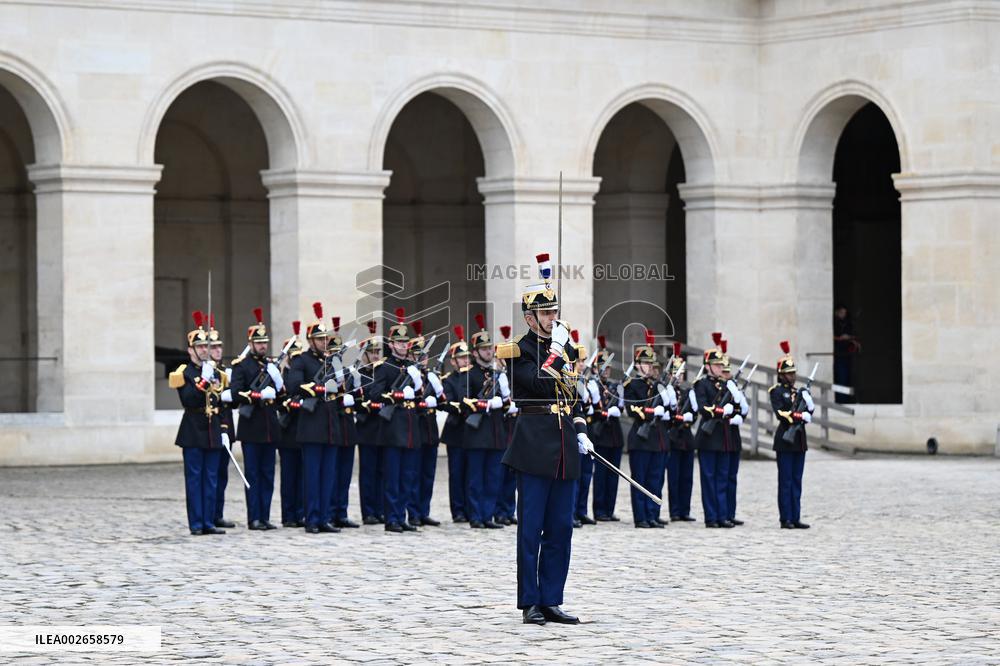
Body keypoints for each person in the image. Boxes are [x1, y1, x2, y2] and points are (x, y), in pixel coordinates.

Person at [499, 252, 593, 626]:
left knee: (561, 528)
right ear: (529, 317)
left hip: (565, 448)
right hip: (534, 445)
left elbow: (575, 397)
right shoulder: (517, 351)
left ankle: (552, 598)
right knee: (531, 527)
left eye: (554, 313)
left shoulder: (567, 349)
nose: (553, 318)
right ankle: (530, 601)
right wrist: (555, 353)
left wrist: (583, 431)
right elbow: (535, 383)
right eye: (546, 314)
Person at [168, 310, 227, 535]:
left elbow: (219, 402)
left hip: (212, 430)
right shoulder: (184, 373)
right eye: (200, 347)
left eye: (206, 347)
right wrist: (203, 380)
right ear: (190, 350)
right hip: (193, 430)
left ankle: (209, 521)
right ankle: (196, 523)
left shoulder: (215, 372)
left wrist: (223, 428)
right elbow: (189, 399)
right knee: (195, 480)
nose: (205, 350)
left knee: (211, 479)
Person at [286, 302, 341, 534]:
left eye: (325, 339)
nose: (323, 342)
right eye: (319, 339)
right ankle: (311, 518)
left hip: (330, 425)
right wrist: (318, 389)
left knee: (328, 476)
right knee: (312, 476)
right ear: (310, 341)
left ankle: (325, 517)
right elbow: (293, 385)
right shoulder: (301, 361)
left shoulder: (331, 362)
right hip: (311, 425)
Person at [370, 308, 424, 533]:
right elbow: (374, 394)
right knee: (393, 476)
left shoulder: (411, 368)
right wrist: (397, 395)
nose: (402, 346)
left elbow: (420, 395)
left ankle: (402, 516)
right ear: (391, 344)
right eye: (398, 343)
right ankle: (392, 517)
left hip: (410, 426)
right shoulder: (384, 367)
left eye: (405, 343)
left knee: (408, 476)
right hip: (393, 427)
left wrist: (418, 385)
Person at [229, 307, 283, 530]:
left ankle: (265, 516)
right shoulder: (242, 365)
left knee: (268, 474)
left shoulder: (270, 365)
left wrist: (278, 384)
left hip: (270, 425)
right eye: (258, 342)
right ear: (250, 343)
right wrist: (258, 395)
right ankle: (254, 518)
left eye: (265, 342)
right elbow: (235, 393)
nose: (262, 346)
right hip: (251, 426)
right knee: (253, 474)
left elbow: (281, 395)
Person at [462, 313, 507, 530]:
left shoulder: (499, 374)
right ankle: (475, 516)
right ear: (475, 352)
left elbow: (507, 403)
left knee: (492, 477)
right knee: (475, 478)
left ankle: (488, 515)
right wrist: (488, 404)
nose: (489, 351)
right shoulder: (469, 375)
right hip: (477, 433)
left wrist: (505, 401)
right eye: (484, 348)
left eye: (490, 348)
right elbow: (464, 402)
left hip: (496, 432)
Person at [624, 330, 671, 529]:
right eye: (645, 363)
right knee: (640, 480)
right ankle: (641, 516)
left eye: (651, 364)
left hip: (658, 438)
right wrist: (654, 411)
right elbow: (634, 410)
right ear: (637, 364)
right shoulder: (632, 385)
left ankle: (653, 514)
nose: (649, 367)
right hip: (641, 438)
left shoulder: (658, 385)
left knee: (656, 478)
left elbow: (669, 409)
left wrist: (666, 407)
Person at [769, 340, 815, 529]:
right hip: (785, 440)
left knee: (797, 480)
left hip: (799, 440)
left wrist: (808, 408)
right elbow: (781, 414)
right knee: (786, 480)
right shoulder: (776, 391)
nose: (792, 376)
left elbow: (808, 414)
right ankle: (785, 518)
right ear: (781, 374)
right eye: (788, 373)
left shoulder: (799, 392)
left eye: (793, 373)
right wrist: (798, 415)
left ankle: (795, 516)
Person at [693, 332, 735, 528]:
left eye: (721, 365)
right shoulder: (701, 384)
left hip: (724, 436)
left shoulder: (727, 385)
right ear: (708, 366)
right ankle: (711, 516)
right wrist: (720, 410)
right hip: (709, 437)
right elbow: (703, 408)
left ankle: (722, 515)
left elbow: (734, 407)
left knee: (722, 478)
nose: (720, 368)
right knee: (709, 479)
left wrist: (732, 408)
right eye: (717, 365)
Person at [328, 317, 361, 529]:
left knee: (345, 474)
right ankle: (330, 511)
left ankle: (342, 510)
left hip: (349, 427)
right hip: (334, 425)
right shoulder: (328, 370)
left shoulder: (348, 371)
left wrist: (356, 390)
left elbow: (357, 400)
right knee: (332, 473)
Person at [409, 321, 442, 527]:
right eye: (418, 355)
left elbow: (443, 399)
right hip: (417, 428)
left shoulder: (430, 375)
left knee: (428, 474)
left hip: (430, 429)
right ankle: (412, 512)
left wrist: (437, 394)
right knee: (414, 473)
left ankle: (424, 510)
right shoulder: (410, 376)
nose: (422, 358)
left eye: (425, 355)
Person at [588, 335, 625, 522]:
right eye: (603, 367)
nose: (607, 371)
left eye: (609, 367)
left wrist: (617, 406)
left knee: (613, 475)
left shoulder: (614, 386)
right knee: (601, 475)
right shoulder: (592, 385)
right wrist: (606, 412)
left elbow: (620, 407)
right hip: (600, 434)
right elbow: (594, 411)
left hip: (615, 435)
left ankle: (609, 509)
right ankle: (600, 510)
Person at [438, 326, 472, 523]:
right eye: (461, 358)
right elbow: (448, 402)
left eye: (467, 357)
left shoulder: (476, 376)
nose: (465, 360)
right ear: (453, 361)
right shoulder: (449, 380)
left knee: (472, 474)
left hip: (474, 432)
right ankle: (458, 510)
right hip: (456, 430)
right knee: (457, 473)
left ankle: (470, 507)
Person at [208, 315, 237, 529]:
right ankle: (207, 515)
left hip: (227, 428)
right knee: (210, 476)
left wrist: (231, 392)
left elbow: (233, 402)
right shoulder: (205, 373)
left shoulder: (225, 371)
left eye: (219, 347)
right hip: (209, 429)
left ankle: (217, 513)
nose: (218, 350)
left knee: (222, 475)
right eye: (214, 347)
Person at [356, 320, 385, 524]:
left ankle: (380, 509)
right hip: (367, 427)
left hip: (383, 428)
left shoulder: (382, 372)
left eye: (377, 351)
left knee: (382, 472)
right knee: (368, 472)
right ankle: (368, 512)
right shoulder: (358, 375)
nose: (375, 355)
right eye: (372, 352)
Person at [277, 321, 305, 527]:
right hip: (287, 429)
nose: (295, 359)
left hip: (303, 429)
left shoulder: (301, 373)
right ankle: (288, 515)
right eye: (292, 356)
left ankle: (301, 513)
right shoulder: (279, 375)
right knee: (289, 476)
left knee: (303, 475)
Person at [719, 340, 749, 527]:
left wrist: (739, 415)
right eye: (724, 371)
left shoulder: (732, 389)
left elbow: (742, 408)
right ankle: (722, 514)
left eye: (728, 371)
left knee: (732, 478)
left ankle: (730, 512)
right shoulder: (719, 389)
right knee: (722, 479)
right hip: (721, 437)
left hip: (733, 437)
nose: (727, 374)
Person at [666, 344, 697, 522]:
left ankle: (685, 510)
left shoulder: (686, 392)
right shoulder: (668, 391)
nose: (680, 376)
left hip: (686, 438)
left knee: (687, 477)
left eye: (682, 373)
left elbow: (694, 414)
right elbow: (668, 414)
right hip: (673, 437)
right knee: (674, 477)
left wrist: (691, 413)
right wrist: (679, 417)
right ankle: (675, 510)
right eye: (676, 373)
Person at [493, 325, 518, 526]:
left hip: (517, 429)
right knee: (500, 474)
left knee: (513, 474)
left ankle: (509, 510)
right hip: (501, 427)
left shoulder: (516, 376)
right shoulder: (494, 377)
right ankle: (499, 511)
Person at [570, 331, 596, 528]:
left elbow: (586, 409)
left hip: (586, 431)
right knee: (575, 476)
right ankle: (571, 512)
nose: (582, 364)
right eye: (579, 361)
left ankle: (581, 510)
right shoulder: (570, 381)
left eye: (583, 361)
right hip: (571, 432)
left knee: (586, 475)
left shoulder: (584, 381)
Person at [833, 305, 859, 404]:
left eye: (845, 313)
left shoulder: (847, 323)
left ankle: (846, 400)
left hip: (846, 354)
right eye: (841, 313)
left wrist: (850, 339)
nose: (843, 315)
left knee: (847, 378)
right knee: (840, 378)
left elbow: (852, 335)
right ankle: (840, 400)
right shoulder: (834, 323)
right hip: (837, 354)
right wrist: (840, 338)